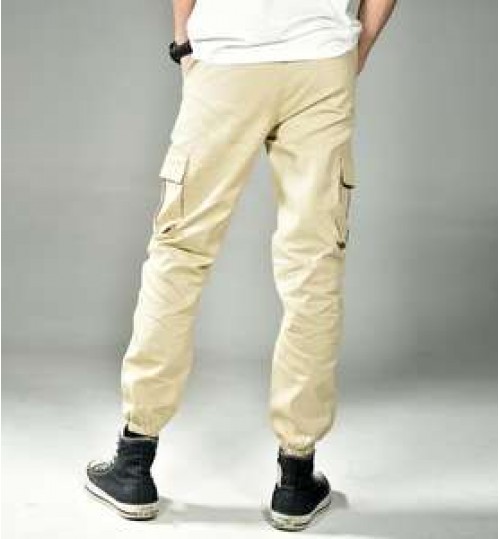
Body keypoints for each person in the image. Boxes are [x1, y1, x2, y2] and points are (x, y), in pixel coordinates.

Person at [85, 0, 397, 531]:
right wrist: (357, 45)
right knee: (313, 268)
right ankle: (296, 476)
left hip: (228, 56)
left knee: (180, 255)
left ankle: (134, 460)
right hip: (320, 60)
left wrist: (185, 42)